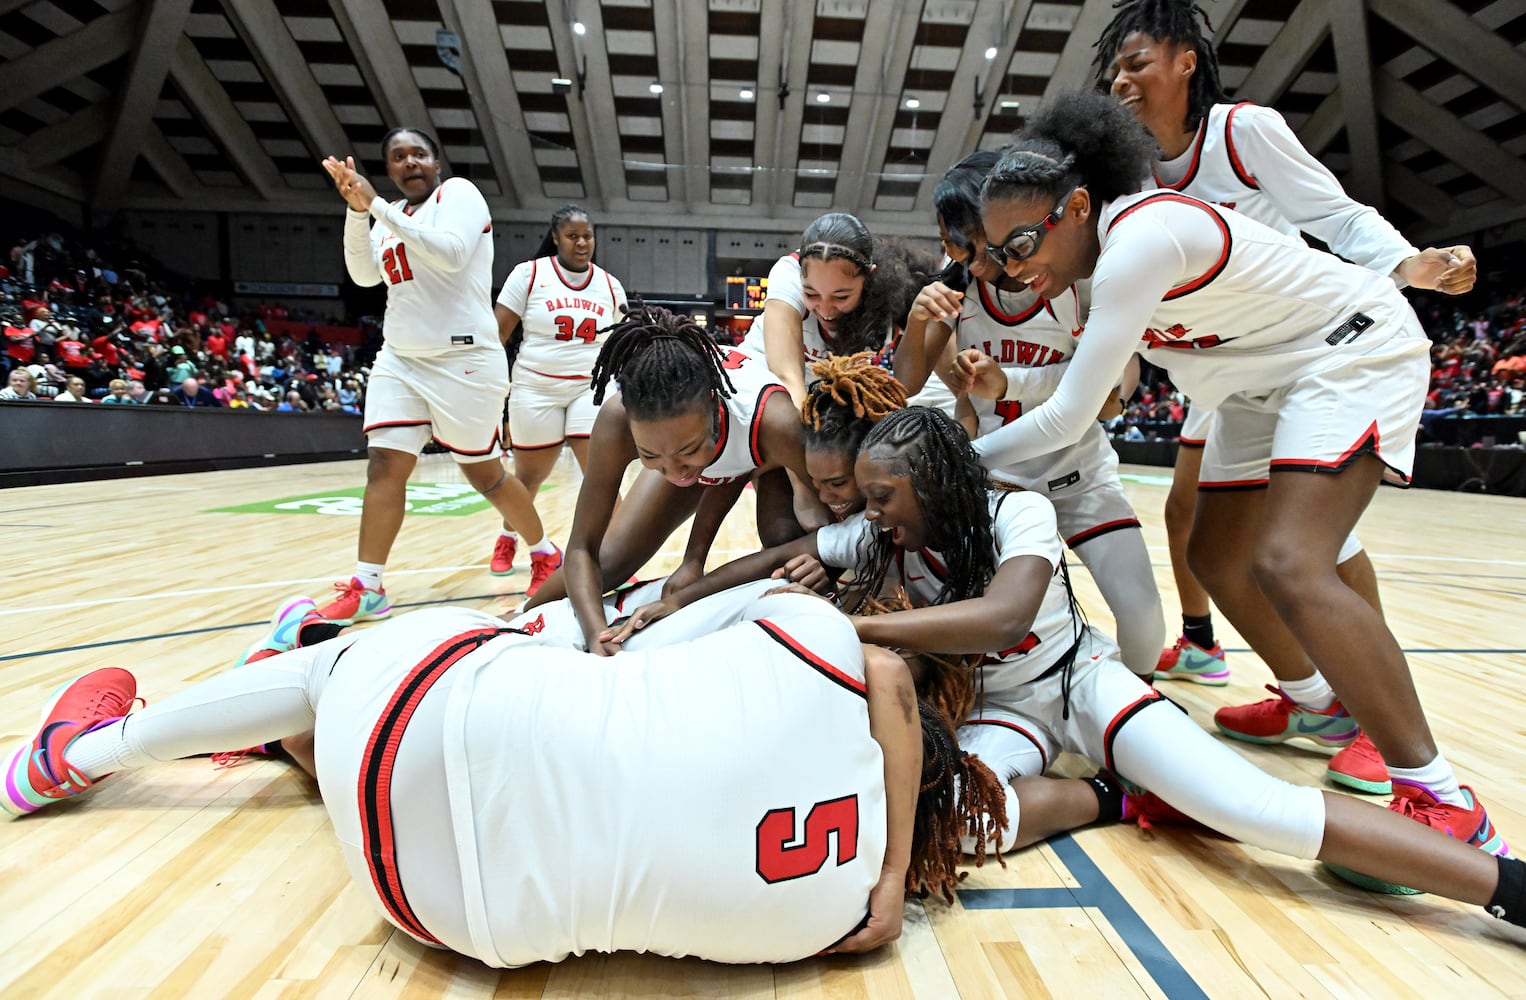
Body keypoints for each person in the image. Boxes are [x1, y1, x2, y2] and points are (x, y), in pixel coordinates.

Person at [607, 406, 1525, 915]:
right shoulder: (880, 533)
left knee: (1259, 811)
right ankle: (1115, 800)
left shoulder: (1019, 514)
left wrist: (865, 630)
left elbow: (1005, 614)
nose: (869, 512)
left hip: (1083, 687)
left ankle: (1503, 885)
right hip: (1001, 714)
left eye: (885, 496)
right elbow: (767, 562)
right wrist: (673, 597)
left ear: (938, 485)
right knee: (950, 827)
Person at [969, 89, 1505, 882]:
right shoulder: (1086, 271)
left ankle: (1443, 797)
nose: (1012, 269)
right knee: (1217, 558)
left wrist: (949, 456)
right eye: (997, 254)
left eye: (1019, 243)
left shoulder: (1142, 239)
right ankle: (1318, 704)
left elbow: (1068, 418)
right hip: (1259, 384)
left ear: (1076, 207)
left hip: (1347, 350)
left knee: (1292, 560)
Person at [1, 584, 1009, 966]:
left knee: (499, 651)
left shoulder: (823, 641)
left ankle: (75, 755)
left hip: (424, 712)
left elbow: (640, 642)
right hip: (436, 918)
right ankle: (293, 728)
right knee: (442, 743)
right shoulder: (833, 924)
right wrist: (882, 891)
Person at [1096, 0, 1478, 794]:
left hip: (1303, 341)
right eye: (1114, 69)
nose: (1120, 79)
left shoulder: (1243, 132)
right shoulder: (1126, 174)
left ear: (1185, 61)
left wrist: (1411, 265)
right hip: (1225, 365)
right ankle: (1315, 698)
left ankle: (1379, 722)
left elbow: (1333, 214)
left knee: (1309, 547)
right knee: (1209, 543)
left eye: (1135, 61)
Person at [898, 150, 1165, 682]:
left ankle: (1134, 712)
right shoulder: (956, 287)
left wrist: (1020, 383)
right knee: (1005, 629)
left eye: (976, 246)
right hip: (1001, 480)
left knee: (1143, 617)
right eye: (957, 250)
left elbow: (1120, 382)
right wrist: (915, 319)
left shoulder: (1078, 277)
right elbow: (902, 386)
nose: (972, 263)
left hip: (1078, 469)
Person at [318, 126, 547, 622]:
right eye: (398, 157)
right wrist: (358, 213)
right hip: (400, 358)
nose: (409, 162)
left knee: (484, 475)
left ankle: (545, 552)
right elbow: (362, 276)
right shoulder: (387, 216)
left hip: (464, 360)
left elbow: (450, 254)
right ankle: (369, 583)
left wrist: (375, 205)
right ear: (390, 169)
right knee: (384, 465)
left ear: (436, 163)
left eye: (418, 153)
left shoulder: (459, 195)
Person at [521, 304, 827, 654]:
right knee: (610, 562)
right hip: (727, 441)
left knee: (788, 544)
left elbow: (834, 528)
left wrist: (692, 571)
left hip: (769, 452)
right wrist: (596, 634)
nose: (674, 472)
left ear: (715, 409)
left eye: (687, 450)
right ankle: (520, 621)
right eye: (649, 456)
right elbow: (581, 548)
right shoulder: (618, 419)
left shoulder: (778, 423)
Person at [490, 204, 628, 585]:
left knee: (600, 473)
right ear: (555, 237)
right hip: (535, 387)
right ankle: (508, 536)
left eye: (588, 235)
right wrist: (491, 394)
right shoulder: (529, 275)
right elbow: (497, 336)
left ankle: (615, 555)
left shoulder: (609, 285)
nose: (582, 242)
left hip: (588, 387)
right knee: (529, 477)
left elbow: (625, 340)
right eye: (573, 235)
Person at [743, 212, 925, 405]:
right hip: (760, 382)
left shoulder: (886, 296)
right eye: (811, 295)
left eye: (841, 297)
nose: (826, 310)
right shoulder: (788, 273)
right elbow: (787, 377)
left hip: (816, 394)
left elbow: (906, 386)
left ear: (869, 279)